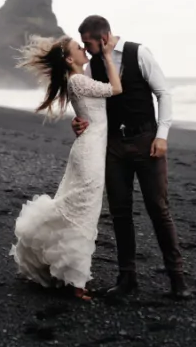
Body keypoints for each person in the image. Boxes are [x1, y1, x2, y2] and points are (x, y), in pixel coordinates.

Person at [72, 15, 191, 299]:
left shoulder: (139, 53)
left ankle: (178, 280)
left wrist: (162, 135)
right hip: (113, 145)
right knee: (120, 213)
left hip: (146, 141)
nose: (86, 50)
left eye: (88, 43)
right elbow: (89, 105)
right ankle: (127, 280)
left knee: (158, 210)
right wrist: (78, 122)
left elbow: (163, 93)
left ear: (102, 38)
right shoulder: (92, 66)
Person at [9, 34, 122, 300]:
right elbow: (116, 89)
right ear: (70, 59)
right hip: (90, 154)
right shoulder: (79, 79)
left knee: (80, 211)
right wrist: (107, 54)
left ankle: (71, 276)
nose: (84, 49)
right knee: (84, 215)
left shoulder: (78, 79)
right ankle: (76, 282)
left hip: (89, 150)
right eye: (78, 48)